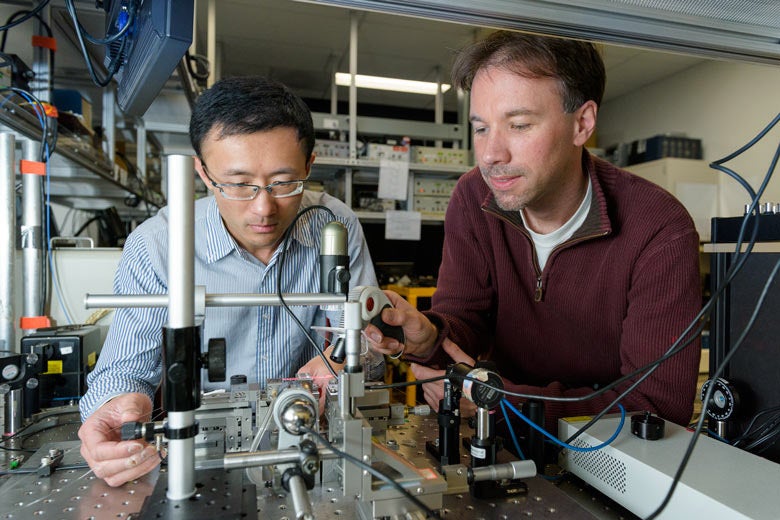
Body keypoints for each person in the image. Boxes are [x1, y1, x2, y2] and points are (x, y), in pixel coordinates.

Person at [368, 31, 702, 431]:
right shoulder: (473, 197)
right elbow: (464, 324)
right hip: (497, 439)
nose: (492, 154)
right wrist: (430, 336)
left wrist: (507, 404)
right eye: (480, 128)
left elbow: (656, 407)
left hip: (613, 459)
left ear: (582, 123)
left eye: (519, 125)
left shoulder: (659, 228)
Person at [78, 76, 377, 486]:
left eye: (283, 182)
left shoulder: (335, 226)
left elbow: (364, 345)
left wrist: (338, 365)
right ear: (202, 170)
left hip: (307, 442)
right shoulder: (159, 245)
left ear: (309, 164)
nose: (263, 207)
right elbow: (125, 370)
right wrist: (120, 406)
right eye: (238, 184)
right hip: (198, 454)